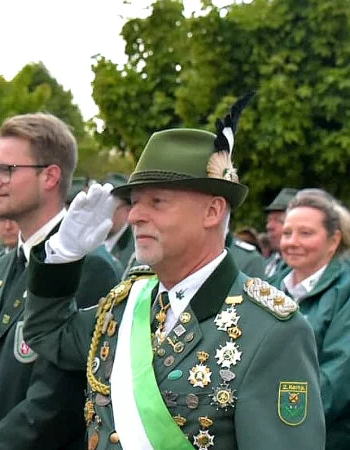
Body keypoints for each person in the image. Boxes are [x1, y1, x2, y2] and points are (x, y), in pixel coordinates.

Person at [22, 96, 325, 449]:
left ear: (212, 211)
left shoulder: (271, 331)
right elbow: (47, 333)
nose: (135, 217)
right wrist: (62, 257)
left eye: (157, 202)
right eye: (135, 203)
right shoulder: (125, 306)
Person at [0, 113, 120, 450]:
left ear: (50, 176)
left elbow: (58, 401)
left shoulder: (88, 265)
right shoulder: (1, 265)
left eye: (6, 170)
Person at [268, 188, 350, 449]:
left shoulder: (345, 292)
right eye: (288, 232)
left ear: (334, 240)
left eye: (306, 233)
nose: (292, 242)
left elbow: (336, 376)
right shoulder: (267, 287)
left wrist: (275, 422)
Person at [100, 173, 134, 273]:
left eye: (109, 207)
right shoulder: (86, 240)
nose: (102, 213)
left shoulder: (135, 251)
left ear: (128, 210)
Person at [264, 188, 299, 278]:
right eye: (268, 220)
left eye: (279, 220)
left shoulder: (302, 269)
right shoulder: (265, 264)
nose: (269, 226)